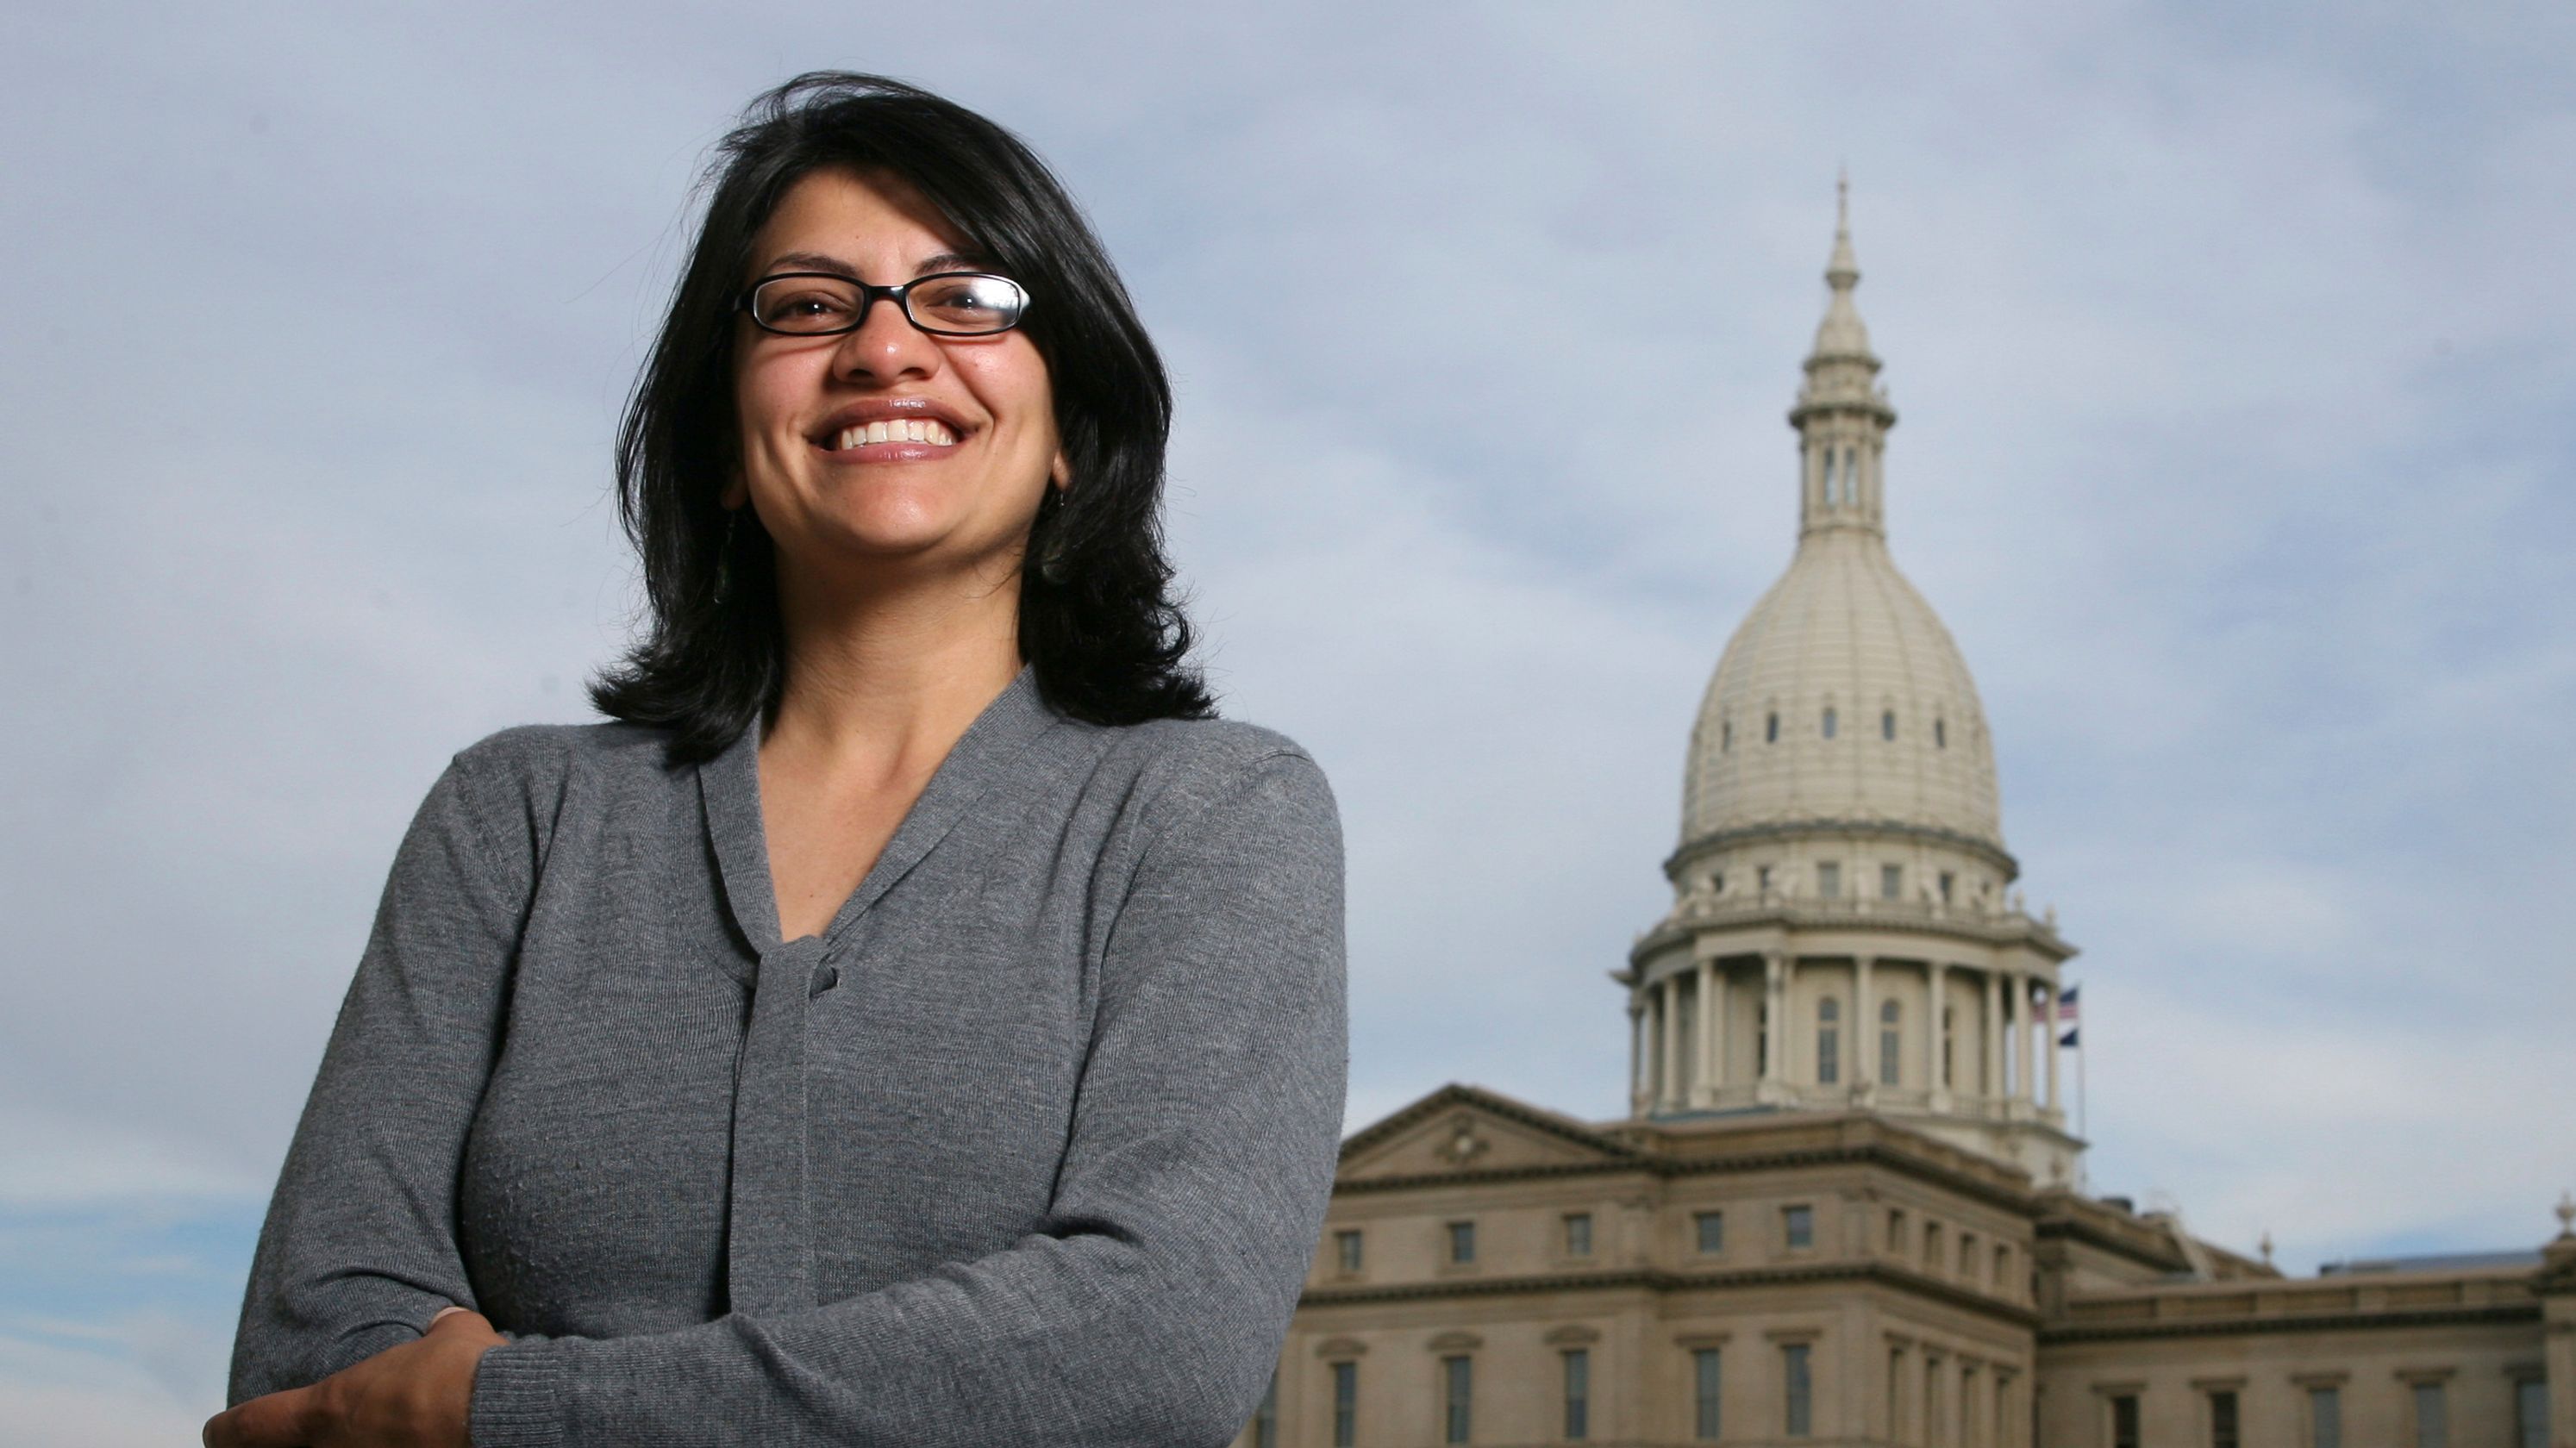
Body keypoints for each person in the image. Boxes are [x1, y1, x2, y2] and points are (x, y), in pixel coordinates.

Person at [208, 72, 1346, 1448]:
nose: (885, 350)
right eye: (808, 307)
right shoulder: (516, 817)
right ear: (728, 448)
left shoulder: (1212, 814)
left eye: (967, 297)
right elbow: (311, 1337)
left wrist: (504, 1407)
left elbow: (1150, 1352)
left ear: (1070, 431)